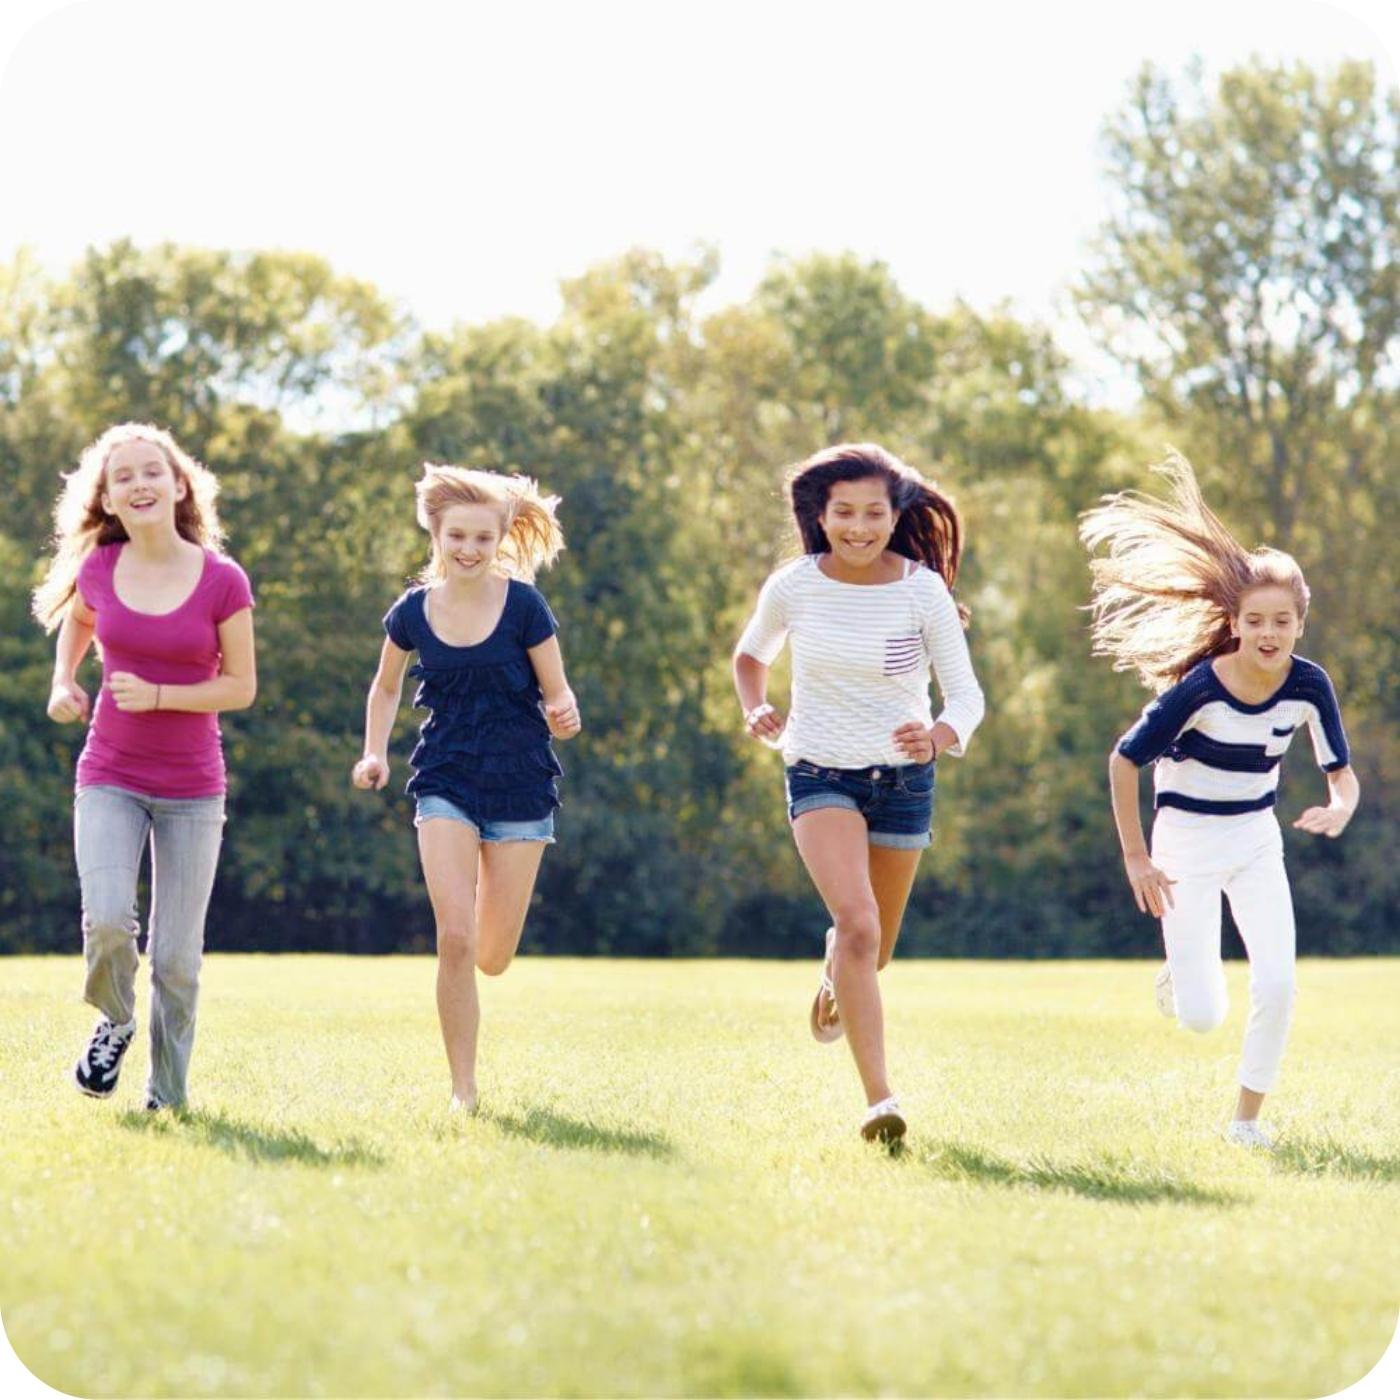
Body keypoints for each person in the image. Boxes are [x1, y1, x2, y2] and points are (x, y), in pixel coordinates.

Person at [1081, 451, 1359, 1148]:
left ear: (1301, 623)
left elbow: (1340, 773)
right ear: (1235, 622)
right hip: (1184, 847)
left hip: (1256, 840)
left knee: (1279, 986)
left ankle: (1245, 1123)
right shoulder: (1201, 687)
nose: (1269, 634)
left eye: (1283, 622)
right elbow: (1123, 760)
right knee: (1203, 1015)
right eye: (1256, 620)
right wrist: (1137, 859)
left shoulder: (1310, 685)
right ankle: (1182, 968)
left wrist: (1341, 805)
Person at [733, 443, 985, 1143]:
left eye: (873, 513)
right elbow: (751, 656)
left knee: (872, 948)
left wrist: (937, 735)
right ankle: (881, 1101)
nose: (858, 527)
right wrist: (754, 706)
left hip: (904, 782)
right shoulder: (795, 585)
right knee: (860, 924)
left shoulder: (921, 590)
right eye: (843, 512)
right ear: (821, 513)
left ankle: (835, 974)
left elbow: (966, 695)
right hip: (818, 771)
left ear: (893, 513)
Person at [33, 423, 257, 1110]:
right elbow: (79, 621)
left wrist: (162, 695)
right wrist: (64, 682)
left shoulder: (222, 579)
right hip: (110, 773)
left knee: (178, 961)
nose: (139, 484)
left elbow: (241, 687)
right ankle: (117, 1020)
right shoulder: (99, 569)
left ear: (179, 483)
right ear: (107, 497)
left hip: (192, 788)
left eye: (151, 471)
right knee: (106, 919)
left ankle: (167, 1096)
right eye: (122, 476)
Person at [353, 464, 580, 1114]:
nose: (469, 550)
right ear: (436, 532)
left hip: (521, 784)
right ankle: (464, 1090)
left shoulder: (526, 606)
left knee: (492, 956)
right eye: (457, 536)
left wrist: (564, 710)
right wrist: (374, 753)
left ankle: (483, 916)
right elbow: (386, 686)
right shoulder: (412, 613)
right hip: (445, 777)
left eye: (483, 538)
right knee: (453, 936)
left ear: (503, 536)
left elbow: (557, 689)